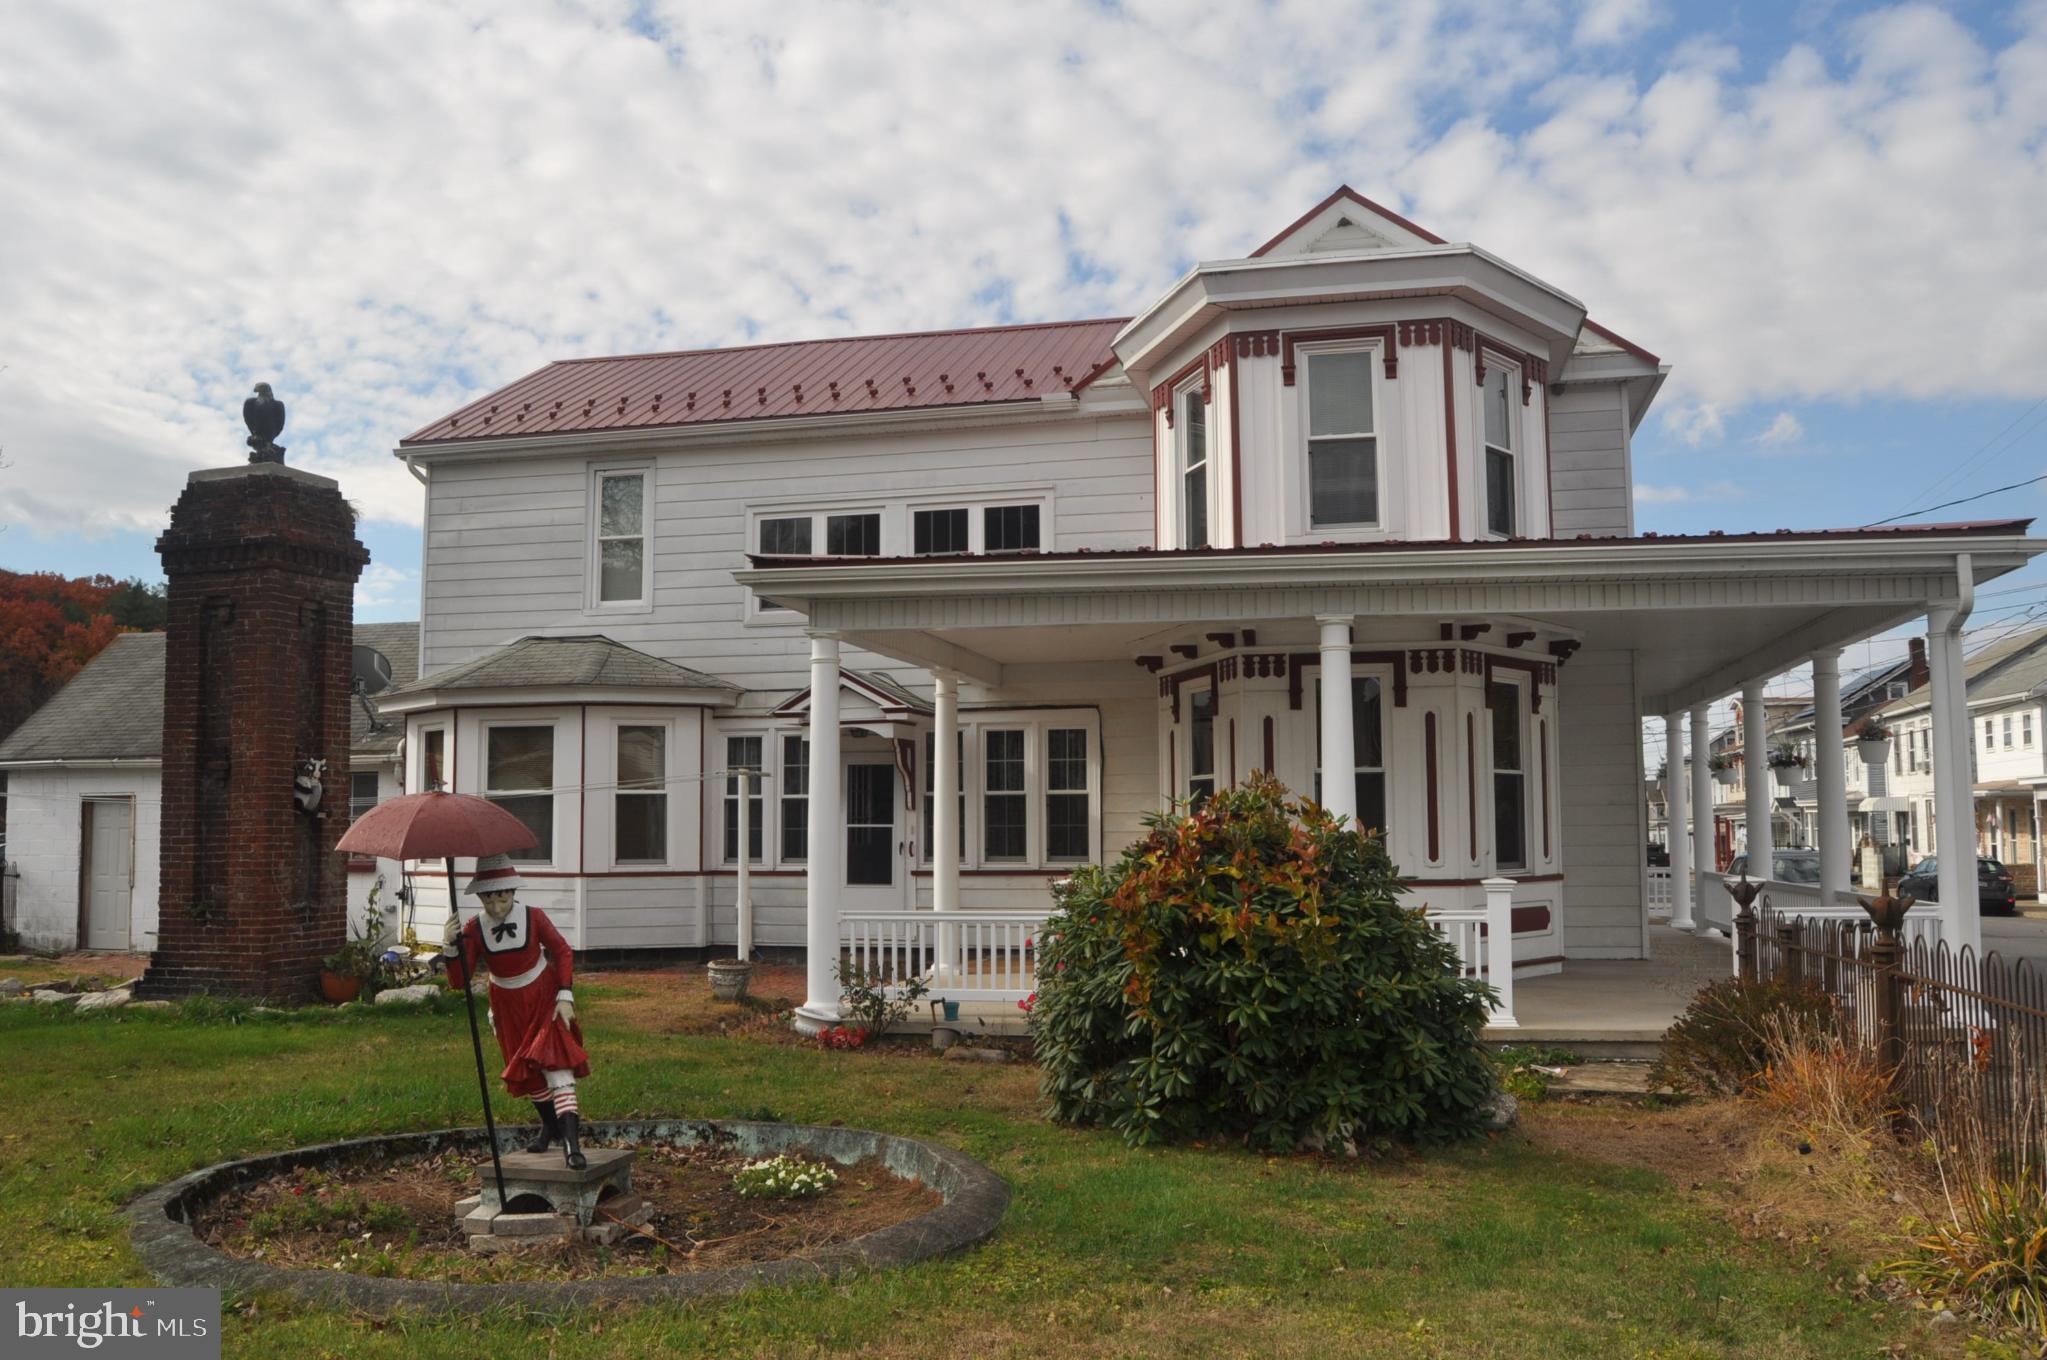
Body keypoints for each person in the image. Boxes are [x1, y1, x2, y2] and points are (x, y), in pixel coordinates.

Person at [442, 853, 592, 1168]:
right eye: (489, 898)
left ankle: (571, 1145)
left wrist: (565, 995)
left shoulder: (534, 917)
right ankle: (549, 1127)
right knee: (527, 1070)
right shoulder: (474, 928)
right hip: (506, 1005)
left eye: (503, 896)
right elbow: (460, 981)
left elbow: (562, 951)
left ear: (512, 891)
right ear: (480, 896)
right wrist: (450, 947)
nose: (497, 906)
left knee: (556, 1066)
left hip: (543, 997)